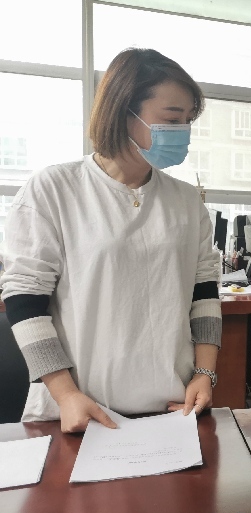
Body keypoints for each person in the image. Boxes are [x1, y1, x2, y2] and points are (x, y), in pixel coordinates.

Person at [0, 48, 221, 432]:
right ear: (123, 111)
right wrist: (65, 394)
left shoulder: (186, 201)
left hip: (171, 409)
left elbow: (203, 294)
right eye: (172, 119)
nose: (183, 130)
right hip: (79, 411)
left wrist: (205, 373)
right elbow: (24, 300)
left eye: (188, 120)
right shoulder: (54, 189)